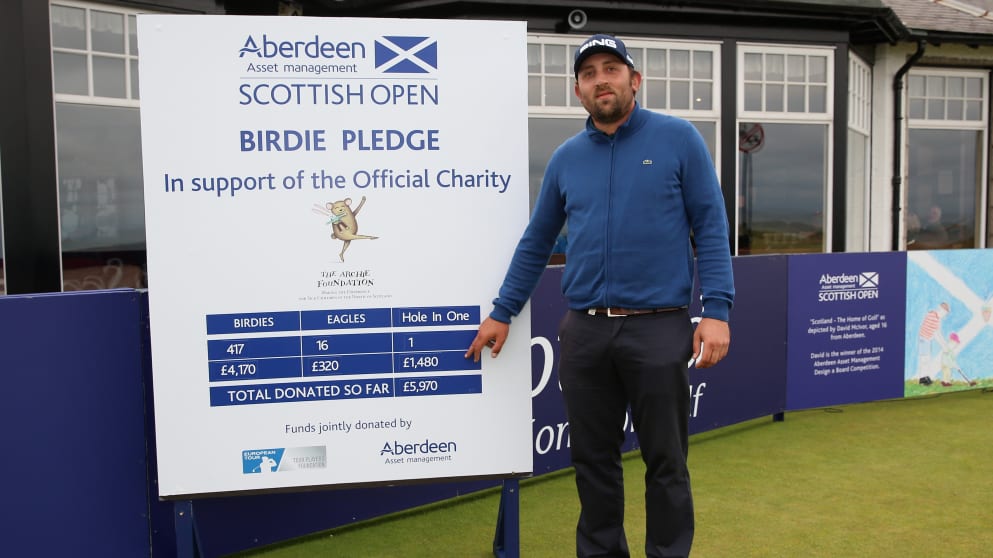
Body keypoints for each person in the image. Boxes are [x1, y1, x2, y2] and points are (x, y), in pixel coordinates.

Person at [465, 34, 735, 558]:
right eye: (589, 74)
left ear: (635, 80)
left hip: (659, 327)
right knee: (592, 461)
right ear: (578, 91)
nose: (601, 80)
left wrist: (717, 310)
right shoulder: (566, 158)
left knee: (666, 461)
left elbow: (711, 226)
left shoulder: (679, 139)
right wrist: (502, 311)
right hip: (585, 330)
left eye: (612, 69)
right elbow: (537, 241)